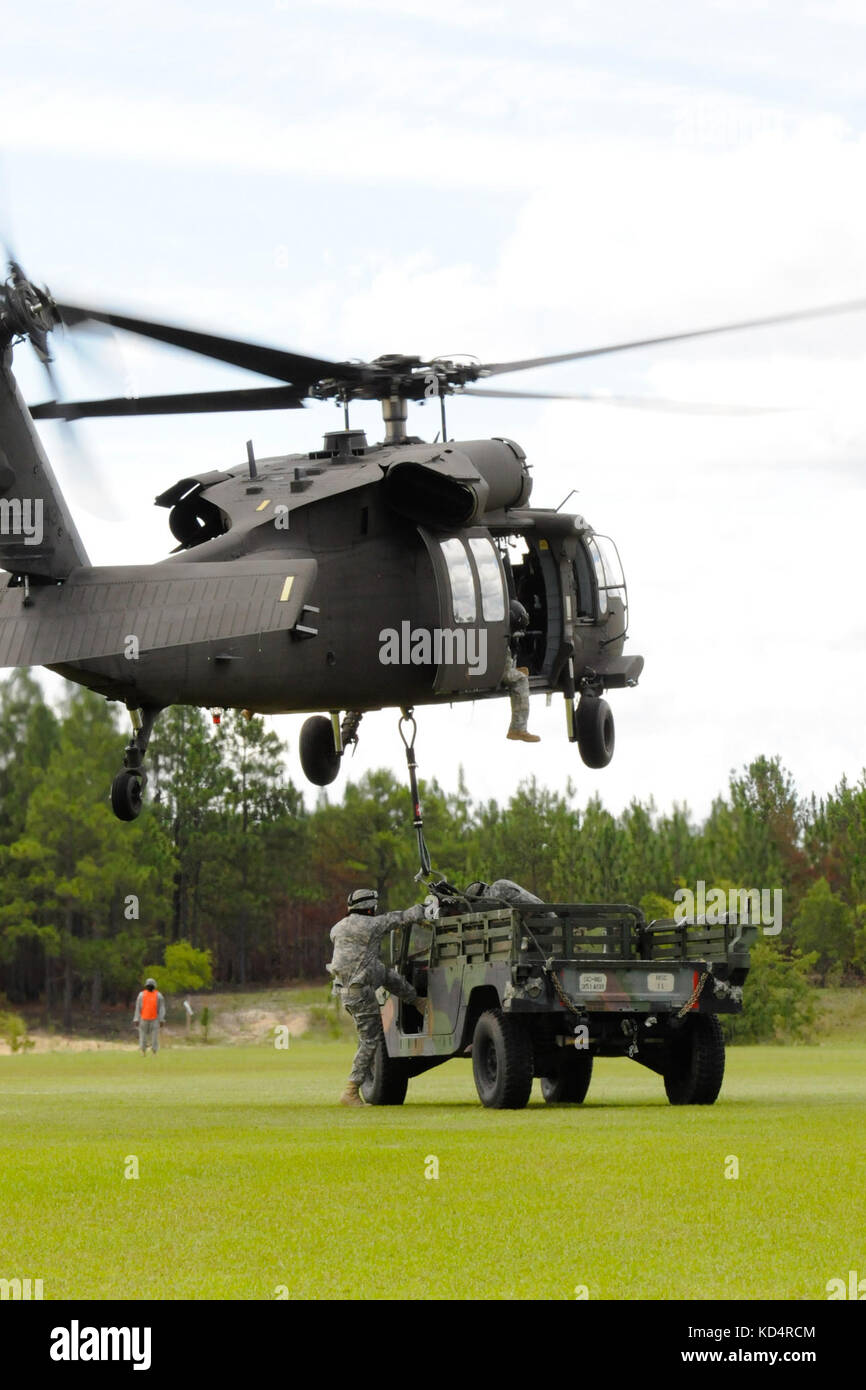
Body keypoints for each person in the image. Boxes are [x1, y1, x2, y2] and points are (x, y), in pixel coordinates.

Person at [327, 888, 429, 1107]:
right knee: (370, 1039)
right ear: (370, 908)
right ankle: (351, 1090)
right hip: (360, 992)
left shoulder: (337, 928)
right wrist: (425, 908)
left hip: (345, 990)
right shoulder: (371, 925)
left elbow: (377, 970)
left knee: (385, 973)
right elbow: (402, 918)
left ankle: (417, 1001)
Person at [502, 599, 540, 742]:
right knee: (521, 680)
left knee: (521, 673)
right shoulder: (501, 638)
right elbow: (504, 674)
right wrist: (516, 673)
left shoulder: (496, 629)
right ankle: (518, 729)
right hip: (489, 673)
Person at [133, 977, 165, 1055]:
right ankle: (143, 1051)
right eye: (148, 985)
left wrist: (161, 1019)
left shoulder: (159, 995)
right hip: (143, 1019)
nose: (149, 987)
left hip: (154, 1020)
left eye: (151, 985)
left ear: (154, 986)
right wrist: (136, 1019)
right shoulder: (141, 995)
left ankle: (154, 1052)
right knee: (143, 1037)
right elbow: (138, 1007)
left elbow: (161, 1008)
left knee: (154, 1038)